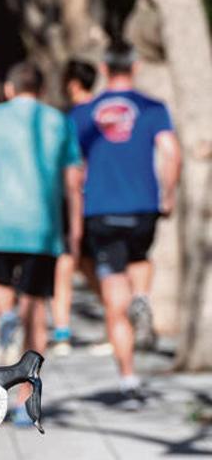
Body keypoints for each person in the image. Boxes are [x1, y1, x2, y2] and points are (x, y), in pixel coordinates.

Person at [0, 62, 83, 425]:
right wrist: (74, 228)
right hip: (42, 228)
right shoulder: (59, 121)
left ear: (11, 89)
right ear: (41, 89)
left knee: (1, 290)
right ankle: (24, 401)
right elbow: (73, 181)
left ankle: (6, 315)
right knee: (37, 309)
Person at [69, 43, 181, 409]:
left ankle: (128, 379)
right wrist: (168, 194)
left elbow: (73, 168)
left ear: (103, 67)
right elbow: (171, 151)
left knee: (113, 300)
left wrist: (75, 212)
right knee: (141, 257)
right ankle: (143, 297)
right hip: (143, 208)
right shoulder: (152, 108)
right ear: (136, 65)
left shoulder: (84, 113)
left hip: (101, 210)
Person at [50, 59, 98, 356]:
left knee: (65, 264)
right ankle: (120, 323)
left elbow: (70, 168)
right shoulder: (106, 114)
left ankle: (63, 332)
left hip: (76, 199)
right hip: (106, 201)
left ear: (72, 83)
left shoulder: (69, 121)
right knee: (97, 268)